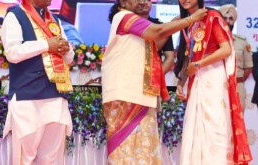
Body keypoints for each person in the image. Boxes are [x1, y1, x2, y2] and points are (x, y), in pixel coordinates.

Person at [102, 0, 207, 164]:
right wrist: (190, 19)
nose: (142, 1)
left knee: (145, 149)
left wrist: (174, 23)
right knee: (123, 150)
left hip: (139, 93)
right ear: (122, 2)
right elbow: (157, 31)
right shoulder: (124, 17)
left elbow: (157, 42)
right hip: (124, 93)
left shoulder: (137, 25)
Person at [174, 0, 252, 164]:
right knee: (195, 127)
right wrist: (181, 82)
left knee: (215, 125)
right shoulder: (191, 23)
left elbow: (226, 49)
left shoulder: (212, 16)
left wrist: (198, 65)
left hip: (214, 78)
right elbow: (190, 57)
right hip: (197, 79)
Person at [0, 0, 74, 164]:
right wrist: (47, 44)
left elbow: (69, 59)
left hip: (55, 95)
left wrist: (67, 49)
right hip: (27, 96)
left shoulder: (54, 19)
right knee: (25, 158)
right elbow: (13, 53)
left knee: (52, 159)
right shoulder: (14, 16)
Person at [218, 4, 253, 112]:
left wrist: (236, 80)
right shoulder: (212, 42)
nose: (228, 21)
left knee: (238, 121)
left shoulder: (242, 42)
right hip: (217, 86)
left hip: (238, 87)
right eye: (224, 18)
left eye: (231, 19)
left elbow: (248, 68)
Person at [136, 0, 174, 74]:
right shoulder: (128, 24)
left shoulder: (161, 26)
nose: (145, 2)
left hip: (153, 75)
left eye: (148, 0)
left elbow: (170, 58)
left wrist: (157, 77)